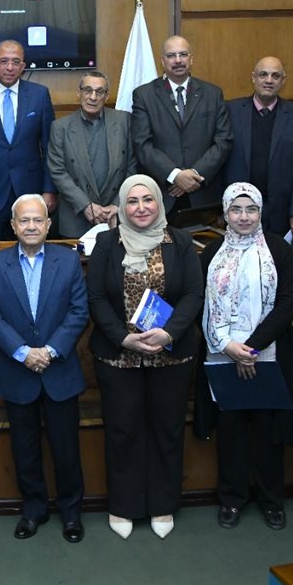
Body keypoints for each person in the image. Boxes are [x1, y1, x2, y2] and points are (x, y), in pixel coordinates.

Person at [86, 174, 203, 540]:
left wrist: (169, 333)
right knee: (122, 431)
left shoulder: (180, 242)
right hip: (119, 357)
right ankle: (124, 505)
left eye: (148, 199)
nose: (141, 207)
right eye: (133, 201)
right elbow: (96, 298)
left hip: (171, 356)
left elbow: (193, 295)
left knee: (167, 430)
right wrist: (124, 338)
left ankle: (162, 504)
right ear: (122, 206)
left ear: (159, 202)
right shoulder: (107, 243)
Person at [0, 194, 88, 543]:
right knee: (24, 450)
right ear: (13, 226)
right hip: (17, 371)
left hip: (60, 371)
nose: (30, 226)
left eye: (37, 220)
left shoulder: (68, 261)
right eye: (23, 220)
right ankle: (33, 510)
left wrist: (50, 351)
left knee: (66, 450)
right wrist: (23, 352)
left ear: (48, 225)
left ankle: (71, 513)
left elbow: (79, 312)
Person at [198, 183, 293, 531]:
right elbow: (202, 303)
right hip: (223, 355)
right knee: (231, 432)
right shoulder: (211, 252)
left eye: (251, 209)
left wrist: (251, 348)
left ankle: (272, 501)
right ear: (225, 213)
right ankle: (232, 499)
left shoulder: (278, 249)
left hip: (267, 355)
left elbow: (288, 303)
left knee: (268, 433)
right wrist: (229, 346)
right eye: (236, 209)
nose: (244, 217)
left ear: (260, 212)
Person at [0, 40, 57, 240]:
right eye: (4, 61)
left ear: (23, 66)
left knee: (32, 249)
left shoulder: (39, 95)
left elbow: (50, 146)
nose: (10, 67)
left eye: (16, 62)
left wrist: (49, 190)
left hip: (31, 192)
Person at [130, 35, 233, 212]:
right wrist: (175, 175)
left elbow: (224, 141)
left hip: (202, 193)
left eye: (183, 54)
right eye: (171, 55)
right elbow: (142, 144)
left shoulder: (213, 94)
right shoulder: (144, 95)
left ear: (191, 59)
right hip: (163, 194)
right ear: (162, 61)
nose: (178, 60)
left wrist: (194, 175)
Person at [222, 56, 293, 234]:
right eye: (263, 74)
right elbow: (220, 157)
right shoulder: (230, 111)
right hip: (237, 210)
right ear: (253, 78)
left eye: (275, 76)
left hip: (281, 212)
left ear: (283, 80)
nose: (269, 80)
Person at [46, 71, 137, 238]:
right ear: (79, 93)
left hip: (116, 215)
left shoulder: (124, 121)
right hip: (76, 217)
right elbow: (57, 172)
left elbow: (133, 166)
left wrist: (118, 204)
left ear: (106, 96)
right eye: (88, 90)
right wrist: (85, 205)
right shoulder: (60, 127)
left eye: (99, 92)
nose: (93, 97)